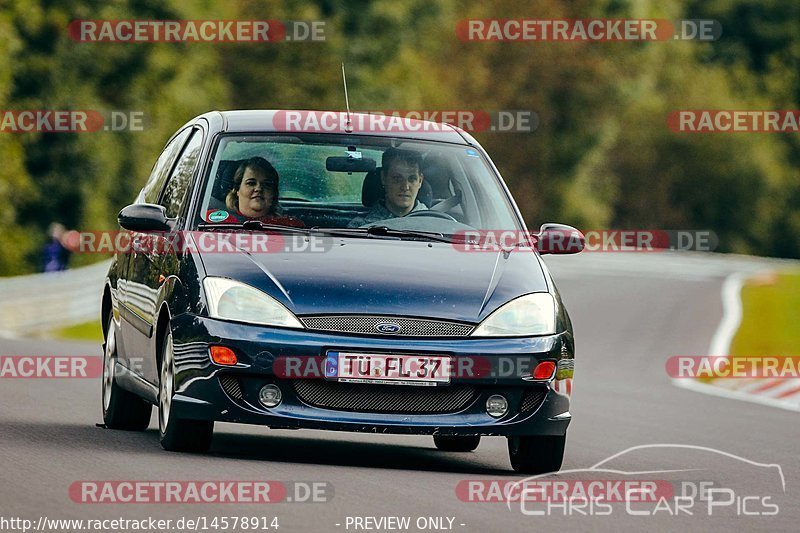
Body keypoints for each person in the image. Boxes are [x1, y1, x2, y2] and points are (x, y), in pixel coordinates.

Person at [206, 156, 303, 226]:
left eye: (267, 185)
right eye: (251, 183)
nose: (259, 188)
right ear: (237, 190)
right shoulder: (211, 222)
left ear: (273, 193)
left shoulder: (290, 226)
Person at [348, 148, 428, 227]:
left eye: (412, 179)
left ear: (420, 181)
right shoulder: (361, 227)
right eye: (397, 178)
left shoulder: (434, 225)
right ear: (383, 178)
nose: (405, 187)